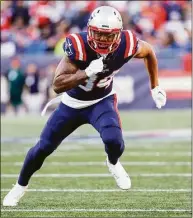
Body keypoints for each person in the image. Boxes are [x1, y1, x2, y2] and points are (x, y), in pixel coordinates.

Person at [3, 6, 166, 206]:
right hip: (72, 104)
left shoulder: (127, 43)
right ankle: (19, 187)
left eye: (108, 36)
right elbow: (57, 85)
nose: (103, 40)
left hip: (101, 101)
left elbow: (149, 51)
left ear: (118, 34)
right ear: (89, 30)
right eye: (98, 34)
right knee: (43, 148)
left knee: (114, 140)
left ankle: (113, 163)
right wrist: (86, 73)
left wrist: (155, 86)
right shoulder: (78, 45)